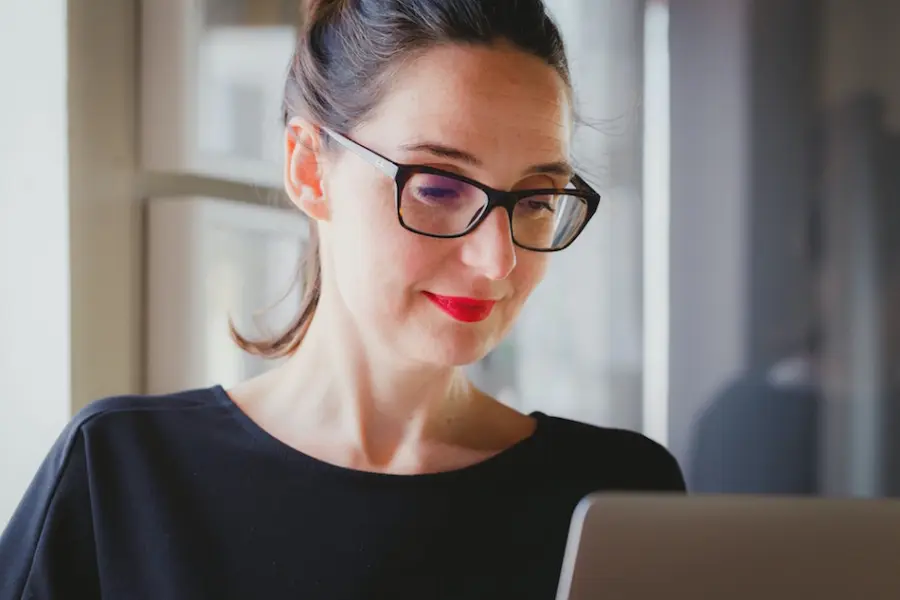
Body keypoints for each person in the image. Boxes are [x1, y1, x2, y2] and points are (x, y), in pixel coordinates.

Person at [0, 0, 685, 597]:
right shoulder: (121, 474)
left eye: (535, 200)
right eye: (439, 187)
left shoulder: (614, 495)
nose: (497, 260)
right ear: (308, 168)